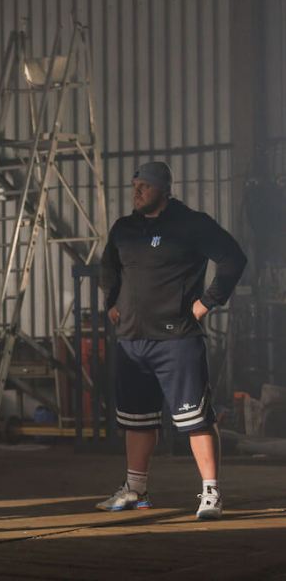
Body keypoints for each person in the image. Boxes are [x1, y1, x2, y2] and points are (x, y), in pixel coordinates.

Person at [97, 161, 246, 520]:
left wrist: (207, 302)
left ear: (164, 189)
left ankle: (210, 493)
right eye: (134, 185)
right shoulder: (124, 228)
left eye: (144, 186)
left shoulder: (191, 223)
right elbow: (108, 267)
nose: (137, 192)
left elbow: (233, 259)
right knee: (137, 420)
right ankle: (136, 490)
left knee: (195, 419)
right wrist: (111, 302)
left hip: (177, 339)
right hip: (133, 339)